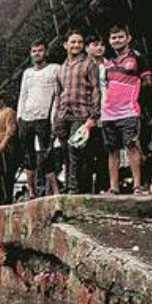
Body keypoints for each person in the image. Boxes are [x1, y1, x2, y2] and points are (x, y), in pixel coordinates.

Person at [102, 25, 152, 195]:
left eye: (120, 37)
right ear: (109, 42)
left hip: (129, 112)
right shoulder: (108, 62)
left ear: (128, 38)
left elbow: (148, 83)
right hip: (109, 113)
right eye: (113, 38)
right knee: (112, 150)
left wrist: (138, 103)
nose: (117, 40)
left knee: (132, 146)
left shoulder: (138, 57)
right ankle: (114, 187)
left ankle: (137, 186)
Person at [53, 30, 101, 194]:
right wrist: (56, 116)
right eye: (73, 42)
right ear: (66, 45)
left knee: (76, 149)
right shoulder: (61, 68)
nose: (76, 45)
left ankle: (74, 188)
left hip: (81, 113)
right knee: (65, 152)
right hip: (63, 115)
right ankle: (69, 186)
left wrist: (94, 115)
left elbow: (96, 89)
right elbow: (58, 94)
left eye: (80, 42)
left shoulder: (89, 64)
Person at [17, 40, 62, 198]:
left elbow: (58, 95)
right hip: (27, 118)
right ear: (31, 53)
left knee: (46, 154)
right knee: (28, 156)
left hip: (44, 117)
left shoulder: (55, 68)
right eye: (34, 51)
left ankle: (55, 190)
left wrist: (54, 117)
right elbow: (23, 95)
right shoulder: (27, 73)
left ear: (46, 52)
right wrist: (19, 117)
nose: (37, 53)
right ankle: (32, 191)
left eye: (40, 50)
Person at [85, 36, 110, 193]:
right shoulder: (83, 66)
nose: (99, 48)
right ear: (87, 48)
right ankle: (85, 188)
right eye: (95, 45)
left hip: (107, 112)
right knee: (86, 153)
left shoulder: (110, 65)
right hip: (86, 114)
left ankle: (104, 186)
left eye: (102, 45)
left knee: (105, 151)